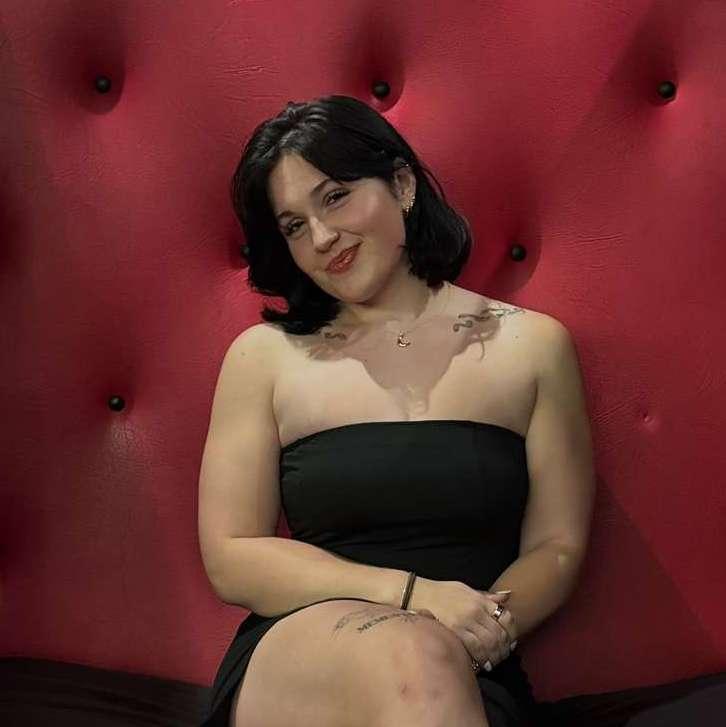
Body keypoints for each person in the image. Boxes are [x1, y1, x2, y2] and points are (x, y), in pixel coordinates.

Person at [197, 94, 596, 727]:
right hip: (306, 654)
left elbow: (558, 545)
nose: (322, 238)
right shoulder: (263, 358)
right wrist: (412, 596)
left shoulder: (533, 347)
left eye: (335, 197)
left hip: (469, 660)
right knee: (412, 654)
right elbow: (232, 555)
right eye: (294, 226)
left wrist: (484, 625)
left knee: (424, 665)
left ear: (403, 185)